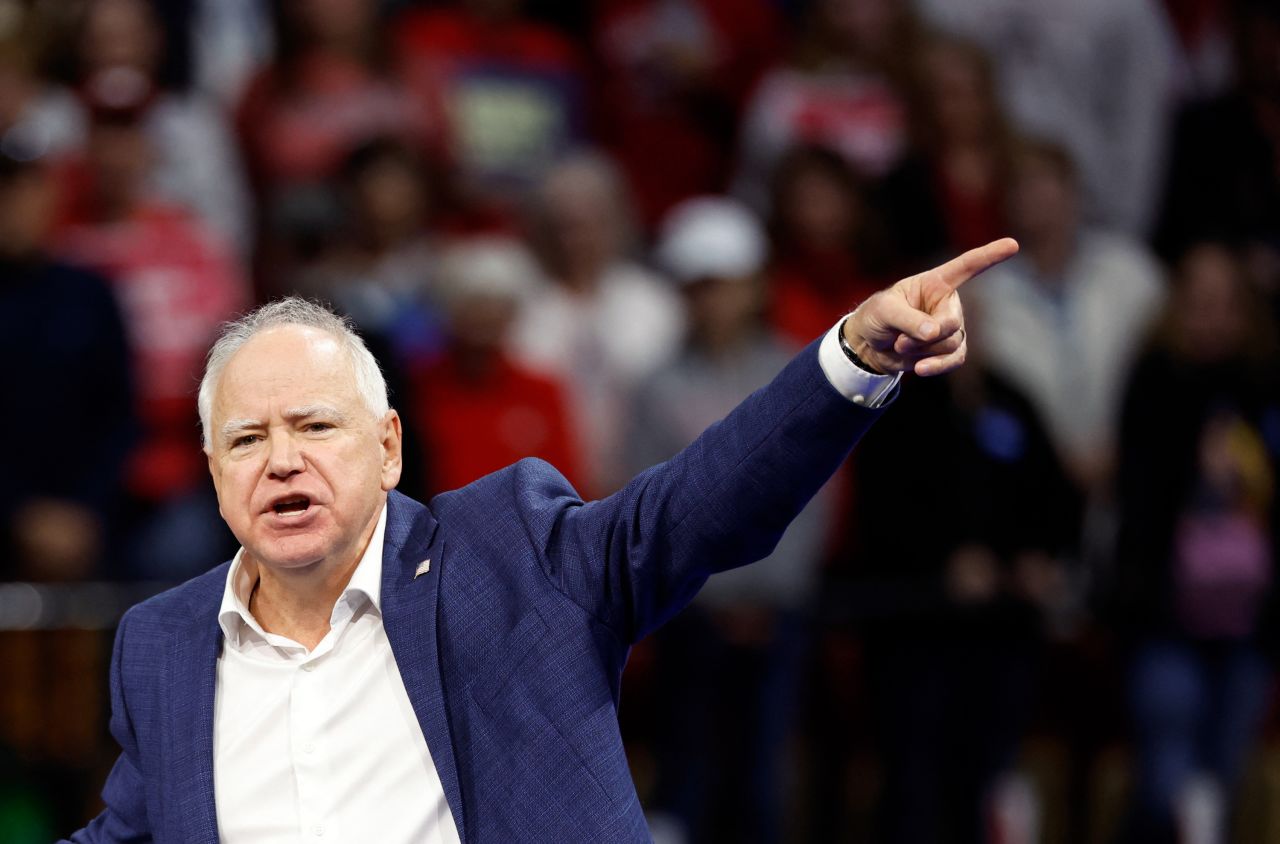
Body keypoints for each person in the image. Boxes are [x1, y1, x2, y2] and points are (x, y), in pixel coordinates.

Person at [61, 238, 1019, 843]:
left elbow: (694, 506)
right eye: (246, 440)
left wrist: (848, 362)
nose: (281, 462)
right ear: (213, 473)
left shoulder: (510, 558)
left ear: (388, 446)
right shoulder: (163, 642)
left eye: (314, 427)